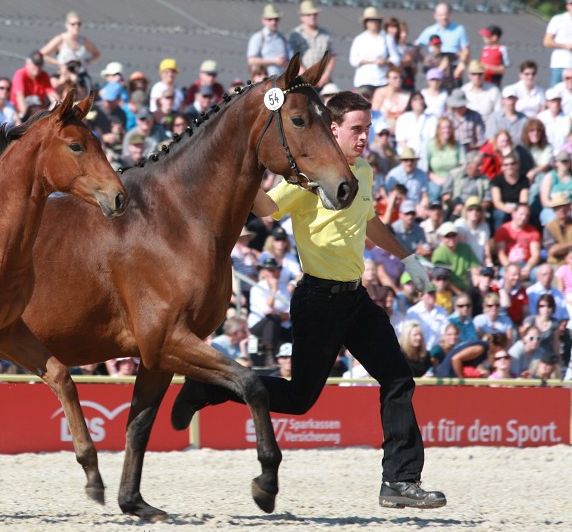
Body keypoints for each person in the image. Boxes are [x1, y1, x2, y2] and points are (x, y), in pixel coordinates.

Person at [172, 91, 444, 508]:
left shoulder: (364, 171)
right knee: (300, 399)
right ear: (332, 129)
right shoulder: (307, 178)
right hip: (318, 299)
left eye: (368, 129)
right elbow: (264, 208)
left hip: (356, 298)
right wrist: (255, 164)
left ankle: (400, 482)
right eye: (357, 129)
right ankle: (209, 387)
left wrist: (407, 257)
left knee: (398, 379)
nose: (364, 137)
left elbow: (370, 221)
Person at [413, 3, 469, 83]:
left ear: (450, 14)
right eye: (441, 15)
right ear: (435, 16)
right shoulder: (430, 31)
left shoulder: (459, 29)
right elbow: (416, 46)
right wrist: (424, 61)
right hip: (435, 67)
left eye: (446, 14)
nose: (444, 17)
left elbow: (466, 51)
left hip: (453, 68)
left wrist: (461, 66)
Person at [247, 259, 291, 362]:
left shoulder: (284, 287)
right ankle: (269, 355)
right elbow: (267, 310)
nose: (270, 273)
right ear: (263, 272)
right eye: (268, 270)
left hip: (281, 323)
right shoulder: (257, 288)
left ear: (278, 271)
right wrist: (274, 290)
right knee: (272, 319)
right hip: (258, 325)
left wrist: (284, 315)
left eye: (273, 270)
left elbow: (289, 311)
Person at [287, 0, 336, 88]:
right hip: (303, 78)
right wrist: (306, 75)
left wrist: (326, 74)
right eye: (309, 15)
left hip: (324, 79)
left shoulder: (325, 34)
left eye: (314, 14)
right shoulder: (295, 34)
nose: (312, 17)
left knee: (333, 95)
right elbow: (292, 57)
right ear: (302, 17)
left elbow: (332, 56)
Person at [39, 11, 99, 77]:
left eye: (79, 24)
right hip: (65, 74)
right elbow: (42, 54)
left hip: (81, 74)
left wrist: (87, 61)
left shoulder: (83, 41)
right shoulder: (60, 39)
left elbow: (96, 54)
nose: (76, 27)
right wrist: (59, 63)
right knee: (54, 82)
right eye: (73, 24)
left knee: (88, 85)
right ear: (66, 25)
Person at [495, 203, 540, 279]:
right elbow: (501, 254)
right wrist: (510, 268)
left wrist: (528, 268)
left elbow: (535, 254)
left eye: (527, 215)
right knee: (502, 274)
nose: (524, 218)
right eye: (521, 214)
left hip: (526, 265)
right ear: (513, 213)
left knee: (539, 273)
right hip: (509, 264)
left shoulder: (533, 232)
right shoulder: (503, 230)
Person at [431, 221, 479, 292]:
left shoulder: (465, 248)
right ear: (441, 238)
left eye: (453, 235)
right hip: (448, 290)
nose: (451, 238)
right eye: (447, 236)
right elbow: (442, 279)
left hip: (467, 287)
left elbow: (475, 268)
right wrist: (459, 293)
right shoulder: (439, 253)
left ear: (457, 235)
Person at [349, 7, 388, 92]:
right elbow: (354, 60)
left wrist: (384, 61)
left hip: (382, 79)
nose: (373, 23)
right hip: (365, 80)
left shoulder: (386, 38)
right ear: (366, 23)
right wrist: (373, 61)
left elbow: (394, 58)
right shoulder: (359, 39)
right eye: (370, 20)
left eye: (375, 20)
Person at [246, 4, 291, 77]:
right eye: (270, 19)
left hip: (281, 82)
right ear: (263, 20)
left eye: (276, 19)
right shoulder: (258, 38)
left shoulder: (283, 39)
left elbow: (290, 62)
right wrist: (274, 61)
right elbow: (251, 60)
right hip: (264, 83)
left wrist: (284, 63)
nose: (273, 22)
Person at [11, 51, 57, 122]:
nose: (37, 67)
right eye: (35, 64)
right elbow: (20, 96)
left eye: (40, 64)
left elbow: (52, 93)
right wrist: (23, 115)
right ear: (27, 64)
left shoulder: (44, 75)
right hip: (21, 112)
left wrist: (56, 104)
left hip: (37, 114)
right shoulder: (20, 74)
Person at [489, 153, 530, 227]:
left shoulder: (524, 180)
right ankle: (499, 235)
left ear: (518, 165)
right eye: (506, 165)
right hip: (502, 208)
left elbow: (523, 200)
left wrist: (517, 211)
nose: (509, 167)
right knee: (501, 215)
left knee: (525, 214)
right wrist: (507, 209)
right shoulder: (497, 180)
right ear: (502, 167)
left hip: (518, 208)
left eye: (512, 164)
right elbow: (496, 202)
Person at [544, 0, 572, 87]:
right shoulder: (558, 19)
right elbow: (547, 41)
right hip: (560, 63)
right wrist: (566, 46)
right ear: (567, 5)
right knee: (554, 93)